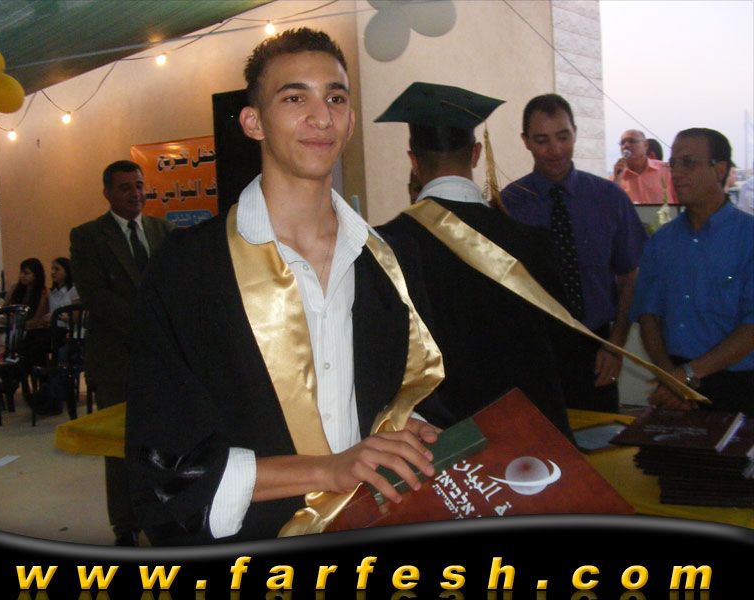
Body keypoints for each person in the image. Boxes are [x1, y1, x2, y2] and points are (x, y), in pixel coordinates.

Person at [125, 28, 451, 546]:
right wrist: (328, 469)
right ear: (253, 122)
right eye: (295, 98)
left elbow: (412, 396)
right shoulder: (189, 269)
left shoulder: (388, 262)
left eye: (336, 98)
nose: (321, 117)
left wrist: (410, 428)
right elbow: (165, 467)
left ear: (349, 120)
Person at [375, 82, 570, 436]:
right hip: (530, 440)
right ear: (477, 153)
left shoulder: (386, 246)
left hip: (442, 444)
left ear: (413, 161)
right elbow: (562, 348)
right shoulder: (532, 243)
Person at [502, 94, 648, 412]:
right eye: (542, 140)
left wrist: (616, 346)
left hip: (597, 350)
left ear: (575, 133)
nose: (555, 150)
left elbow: (630, 278)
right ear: (526, 141)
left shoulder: (609, 199)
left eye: (563, 137)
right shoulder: (508, 205)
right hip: (533, 352)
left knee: (599, 439)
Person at [70, 160, 174, 546]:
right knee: (121, 445)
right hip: (117, 359)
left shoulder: (162, 230)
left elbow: (176, 285)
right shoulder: (88, 236)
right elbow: (97, 297)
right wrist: (151, 323)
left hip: (163, 360)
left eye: (140, 185)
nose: (135, 193)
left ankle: (163, 514)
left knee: (164, 440)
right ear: (107, 193)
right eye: (125, 187)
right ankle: (125, 525)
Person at [631, 128, 754, 416]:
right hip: (674, 383)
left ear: (719, 169)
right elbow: (648, 315)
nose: (677, 173)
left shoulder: (748, 237)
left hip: (737, 386)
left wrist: (687, 375)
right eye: (673, 163)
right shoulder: (662, 241)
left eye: (689, 163)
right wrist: (670, 377)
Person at [5, 258, 50, 369]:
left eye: (26, 273)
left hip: (30, 328)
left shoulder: (42, 293)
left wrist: (19, 325)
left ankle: (16, 367)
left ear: (36, 275)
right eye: (21, 273)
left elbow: (37, 318)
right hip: (13, 326)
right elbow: (4, 309)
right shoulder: (15, 288)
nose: (22, 276)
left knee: (21, 339)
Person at [612, 129, 676, 205]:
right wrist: (617, 180)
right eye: (622, 143)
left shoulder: (666, 170)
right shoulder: (616, 178)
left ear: (645, 145)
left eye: (632, 141)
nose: (626, 145)